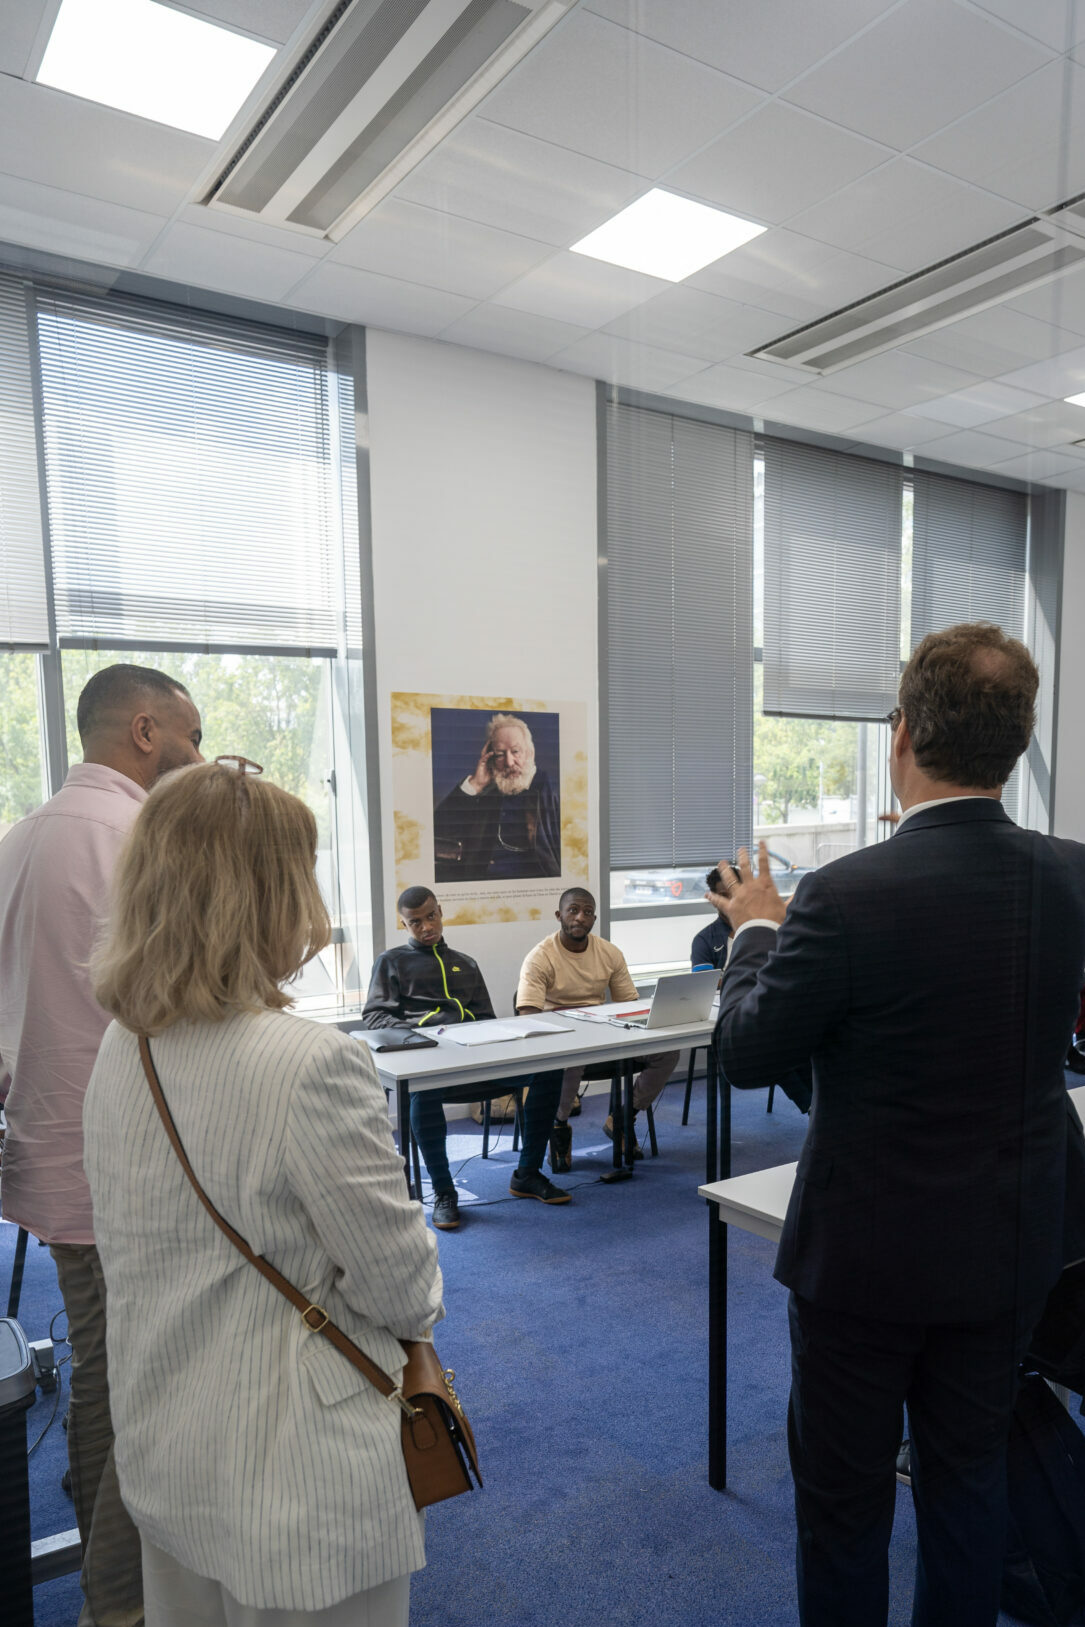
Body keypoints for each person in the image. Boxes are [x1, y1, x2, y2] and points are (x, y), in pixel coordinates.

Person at [712, 621, 1085, 1627]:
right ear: (1016, 741)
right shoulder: (1071, 876)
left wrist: (754, 926)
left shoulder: (838, 897)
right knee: (967, 1489)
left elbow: (745, 1052)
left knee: (843, 1509)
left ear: (899, 734)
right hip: (1009, 1249)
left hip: (861, 1267)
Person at [82, 760, 444, 1627]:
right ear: (271, 891)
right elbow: (401, 1287)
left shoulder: (121, 1048)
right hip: (298, 1476)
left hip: (168, 1443)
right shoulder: (309, 1062)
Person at [0, 662, 202, 1627]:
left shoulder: (18, 840)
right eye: (193, 740)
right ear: (148, 731)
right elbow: (191, 1000)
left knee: (100, 1369)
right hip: (131, 1164)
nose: (199, 760)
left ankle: (106, 1564)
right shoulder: (139, 839)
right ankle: (116, 1603)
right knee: (136, 1390)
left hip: (45, 1155)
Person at [362, 885, 568, 1228]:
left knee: (548, 1071)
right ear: (404, 924)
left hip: (476, 1061)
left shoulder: (465, 963)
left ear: (440, 912)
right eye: (415, 922)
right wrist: (422, 1034)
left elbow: (486, 1018)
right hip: (431, 1062)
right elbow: (376, 1016)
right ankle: (444, 1191)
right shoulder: (391, 962)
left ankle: (527, 1174)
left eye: (431, 917)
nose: (426, 927)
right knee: (422, 1091)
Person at [517, 887, 680, 1169]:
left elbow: (628, 1005)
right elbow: (528, 1015)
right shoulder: (540, 956)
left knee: (667, 1052)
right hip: (563, 1039)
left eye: (588, 912)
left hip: (603, 1036)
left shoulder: (609, 953)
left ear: (594, 919)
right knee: (571, 1058)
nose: (580, 917)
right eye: (573, 910)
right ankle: (559, 1124)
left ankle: (623, 1116)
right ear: (559, 915)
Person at [433, 712, 560, 882]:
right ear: (490, 756)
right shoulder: (487, 793)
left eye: (516, 751)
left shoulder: (549, 790)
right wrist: (476, 783)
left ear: (530, 753)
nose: (509, 762)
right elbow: (439, 829)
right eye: (500, 754)